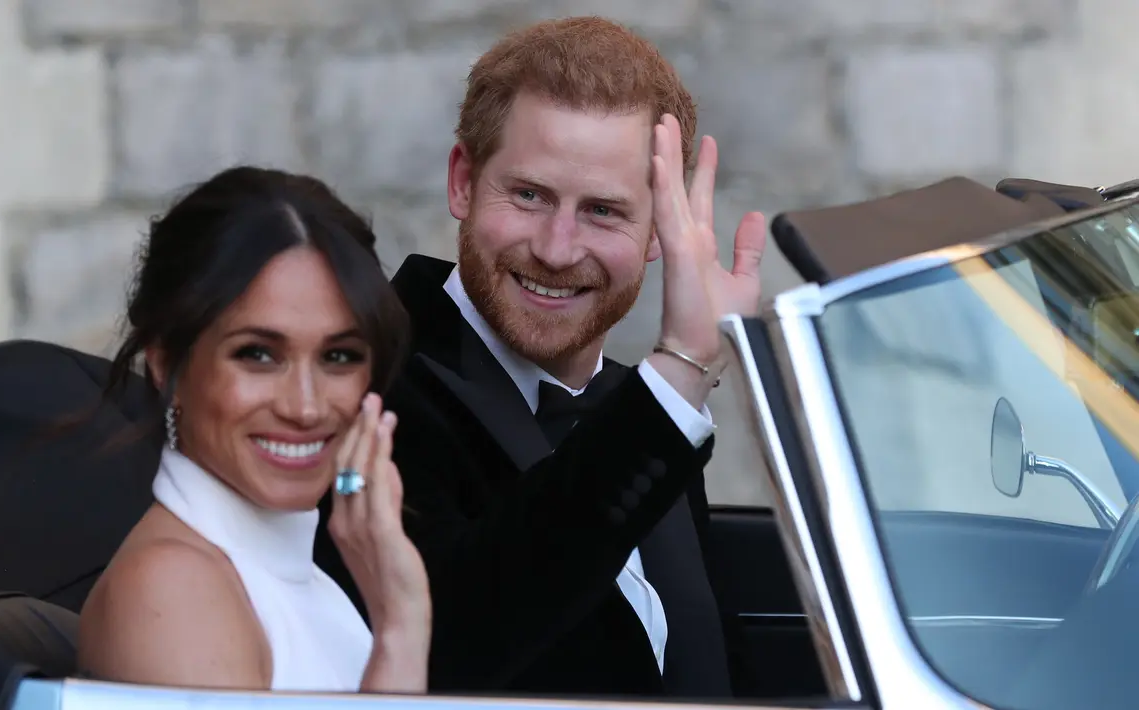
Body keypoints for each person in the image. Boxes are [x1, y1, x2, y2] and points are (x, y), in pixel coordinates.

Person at [312, 15, 766, 699]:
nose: (556, 248)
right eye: (528, 195)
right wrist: (679, 374)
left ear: (657, 232)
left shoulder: (637, 407)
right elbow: (448, 649)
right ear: (462, 181)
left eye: (604, 211)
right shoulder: (362, 383)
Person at [75, 167, 432, 693]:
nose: (306, 407)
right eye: (258, 355)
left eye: (338, 356)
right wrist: (401, 631)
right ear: (165, 362)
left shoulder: (300, 578)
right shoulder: (171, 588)